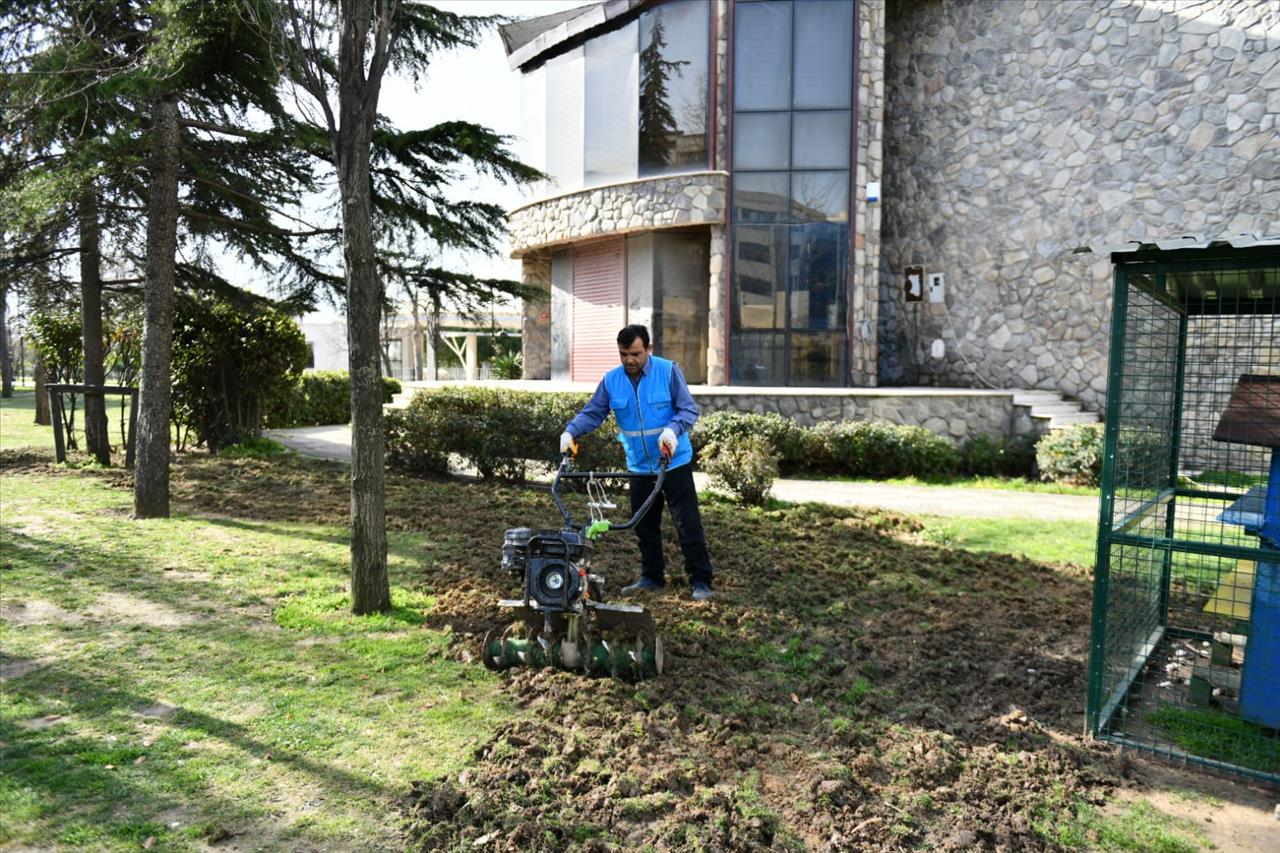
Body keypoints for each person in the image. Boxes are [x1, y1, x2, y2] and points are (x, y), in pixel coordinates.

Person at [560, 324, 715, 601]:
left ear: (648, 349)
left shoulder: (668, 371)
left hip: (674, 463)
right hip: (640, 467)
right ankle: (652, 577)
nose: (630, 360)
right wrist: (571, 431)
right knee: (645, 527)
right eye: (623, 355)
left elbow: (688, 409)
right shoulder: (612, 381)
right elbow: (593, 413)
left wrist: (673, 429)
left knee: (687, 524)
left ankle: (701, 581)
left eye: (635, 354)